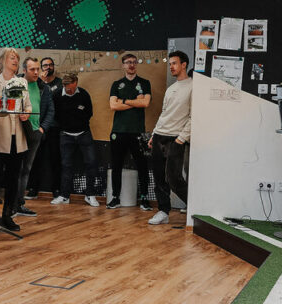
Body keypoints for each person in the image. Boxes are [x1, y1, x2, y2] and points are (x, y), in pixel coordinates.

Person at [0, 48, 32, 232]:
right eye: (12, 57)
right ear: (3, 61)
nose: (15, 61)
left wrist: (26, 114)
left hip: (17, 136)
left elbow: (27, 106)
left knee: (14, 179)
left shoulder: (21, 82)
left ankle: (8, 215)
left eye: (17, 58)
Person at [147, 51, 192, 225]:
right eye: (170, 63)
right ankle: (163, 211)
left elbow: (193, 116)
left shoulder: (193, 86)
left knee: (174, 179)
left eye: (174, 63)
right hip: (160, 136)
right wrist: (153, 135)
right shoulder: (170, 89)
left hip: (176, 138)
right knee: (159, 178)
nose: (171, 66)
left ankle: (195, 207)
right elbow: (164, 114)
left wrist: (182, 138)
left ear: (184, 64)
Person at [107, 53, 152, 210]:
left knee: (142, 165)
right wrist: (135, 102)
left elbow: (145, 103)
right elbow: (113, 106)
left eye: (134, 62)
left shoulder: (144, 83)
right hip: (118, 131)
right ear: (123, 65)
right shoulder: (116, 84)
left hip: (138, 131)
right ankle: (115, 198)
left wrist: (124, 101)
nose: (131, 65)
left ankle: (145, 198)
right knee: (116, 165)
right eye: (128, 62)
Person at [50, 73, 100, 206]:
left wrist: (79, 122)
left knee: (91, 163)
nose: (68, 90)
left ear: (76, 83)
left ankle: (90, 195)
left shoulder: (83, 94)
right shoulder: (57, 96)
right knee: (66, 166)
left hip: (84, 133)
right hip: (66, 134)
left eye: (71, 87)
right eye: (66, 87)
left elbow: (89, 112)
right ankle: (64, 196)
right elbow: (53, 113)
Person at [14, 57, 55, 217]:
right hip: (18, 130)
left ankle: (19, 204)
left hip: (36, 132)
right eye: (32, 69)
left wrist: (43, 128)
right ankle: (11, 204)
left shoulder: (43, 87)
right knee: (15, 169)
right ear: (24, 70)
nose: (36, 72)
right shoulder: (16, 84)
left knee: (26, 169)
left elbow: (51, 110)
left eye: (38, 69)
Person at [26, 56, 61, 199]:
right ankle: (33, 188)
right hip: (36, 127)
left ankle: (56, 190)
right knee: (35, 159)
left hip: (53, 127)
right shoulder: (36, 84)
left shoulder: (59, 83)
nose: (48, 68)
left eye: (50, 65)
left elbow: (54, 105)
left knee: (55, 159)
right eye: (45, 65)